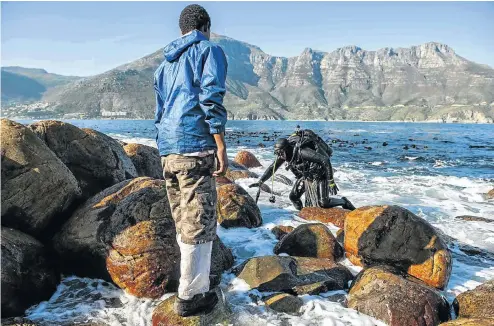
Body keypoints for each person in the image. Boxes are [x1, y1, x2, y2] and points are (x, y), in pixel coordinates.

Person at [154, 4, 228, 317]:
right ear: (205, 26)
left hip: (168, 150)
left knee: (184, 218)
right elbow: (210, 96)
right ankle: (192, 295)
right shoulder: (209, 50)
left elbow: (159, 111)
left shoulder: (163, 64)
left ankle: (192, 280)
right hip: (195, 146)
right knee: (200, 219)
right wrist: (220, 142)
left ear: (182, 29)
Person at [249, 128, 355, 211]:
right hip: (307, 175)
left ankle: (344, 202)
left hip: (320, 174)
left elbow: (325, 160)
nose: (280, 156)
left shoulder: (302, 152)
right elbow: (272, 167)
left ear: (286, 149)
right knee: (293, 197)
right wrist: (260, 181)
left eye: (281, 152)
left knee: (324, 203)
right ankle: (303, 214)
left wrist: (331, 181)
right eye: (278, 153)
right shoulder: (284, 155)